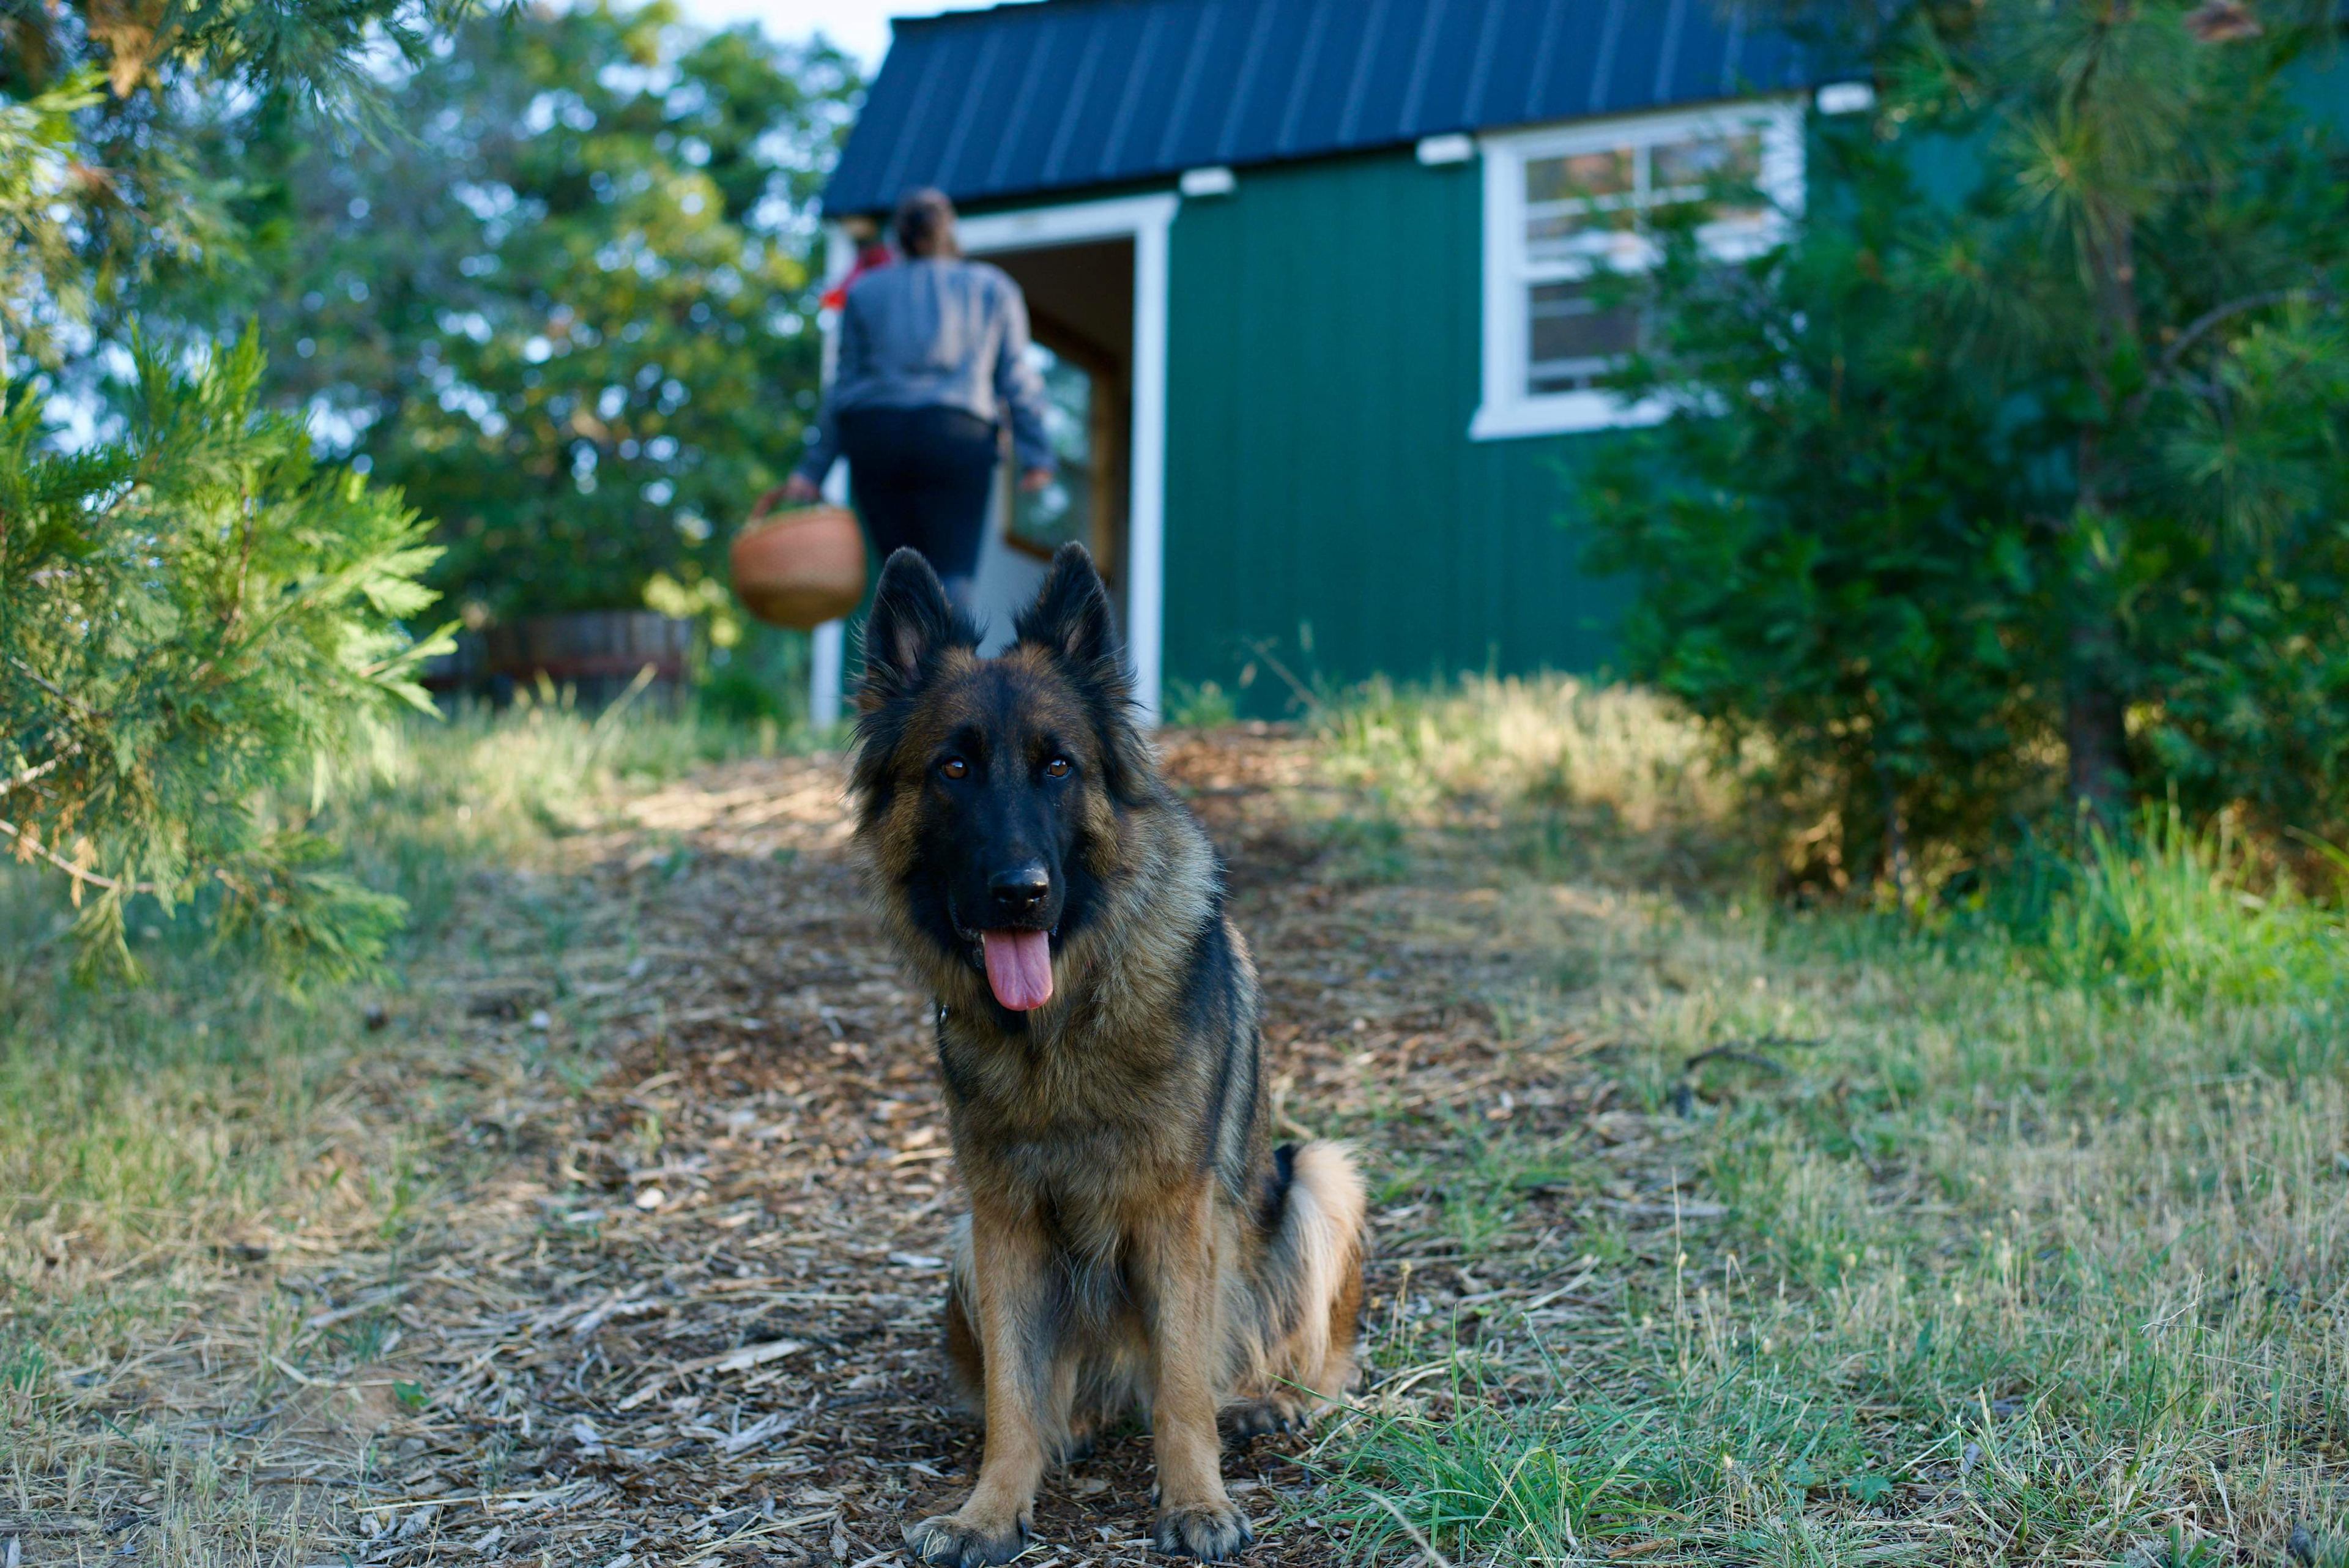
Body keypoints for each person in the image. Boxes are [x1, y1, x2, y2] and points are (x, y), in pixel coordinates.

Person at [784, 188, 1053, 613]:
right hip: (958, 435)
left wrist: (811, 469)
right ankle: (952, 658)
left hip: (876, 435)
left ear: (898, 237)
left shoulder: (866, 292)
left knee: (900, 575)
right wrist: (1036, 455)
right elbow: (1016, 376)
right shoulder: (993, 288)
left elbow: (844, 386)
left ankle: (901, 656)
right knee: (952, 572)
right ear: (950, 231)